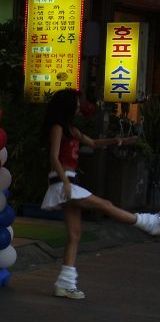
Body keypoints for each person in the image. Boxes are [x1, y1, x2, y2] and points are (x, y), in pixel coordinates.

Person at [40, 89, 159, 299]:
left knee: (74, 236)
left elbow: (93, 143)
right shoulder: (57, 128)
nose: (79, 106)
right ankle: (149, 223)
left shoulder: (72, 130)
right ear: (67, 105)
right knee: (105, 204)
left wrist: (118, 140)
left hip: (67, 183)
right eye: (76, 103)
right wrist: (66, 183)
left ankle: (65, 284)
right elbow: (53, 157)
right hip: (62, 182)